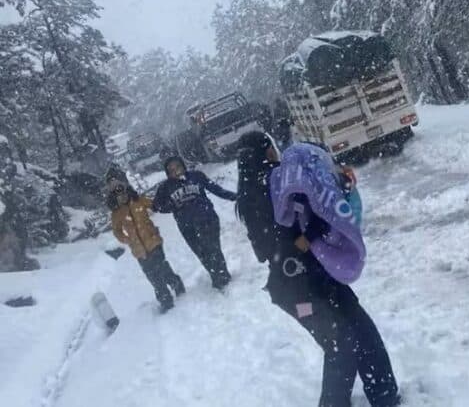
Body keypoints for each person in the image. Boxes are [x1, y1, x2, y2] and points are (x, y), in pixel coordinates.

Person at [235, 131, 400, 407]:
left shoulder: (251, 190)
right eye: (271, 148)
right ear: (267, 151)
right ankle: (378, 395)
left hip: (304, 280)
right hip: (301, 287)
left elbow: (268, 248)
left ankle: (385, 397)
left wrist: (305, 237)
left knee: (358, 333)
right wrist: (339, 189)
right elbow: (322, 213)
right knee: (343, 345)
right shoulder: (281, 178)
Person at [106, 170, 184, 313]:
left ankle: (177, 285)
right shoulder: (116, 213)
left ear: (125, 187)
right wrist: (126, 239)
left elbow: (155, 204)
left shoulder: (138, 200)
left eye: (122, 190)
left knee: (161, 268)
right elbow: (116, 231)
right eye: (117, 193)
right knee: (153, 276)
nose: (121, 195)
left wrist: (171, 203)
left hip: (153, 241)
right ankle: (165, 301)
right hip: (138, 250)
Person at [153, 156, 236, 289]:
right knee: (202, 254)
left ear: (183, 166)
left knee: (213, 249)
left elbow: (215, 189)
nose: (176, 171)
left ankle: (223, 277)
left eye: (178, 167)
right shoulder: (165, 187)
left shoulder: (196, 176)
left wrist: (234, 196)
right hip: (187, 227)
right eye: (171, 170)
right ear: (168, 173)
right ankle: (216, 276)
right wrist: (172, 205)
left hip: (207, 219)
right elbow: (156, 206)